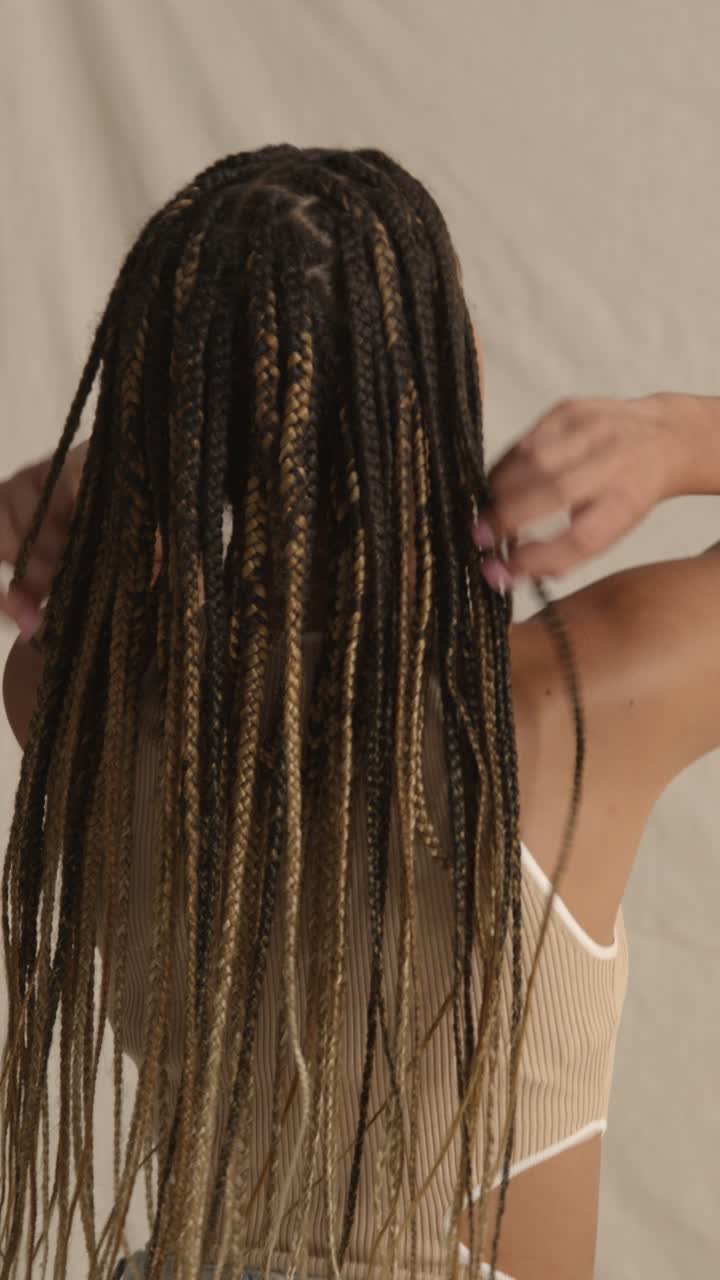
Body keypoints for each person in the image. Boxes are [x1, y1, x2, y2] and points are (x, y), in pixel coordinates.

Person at [0, 146, 717, 1280]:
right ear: (450, 372)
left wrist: (112, 465)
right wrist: (680, 436)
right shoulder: (574, 703)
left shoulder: (69, 694)